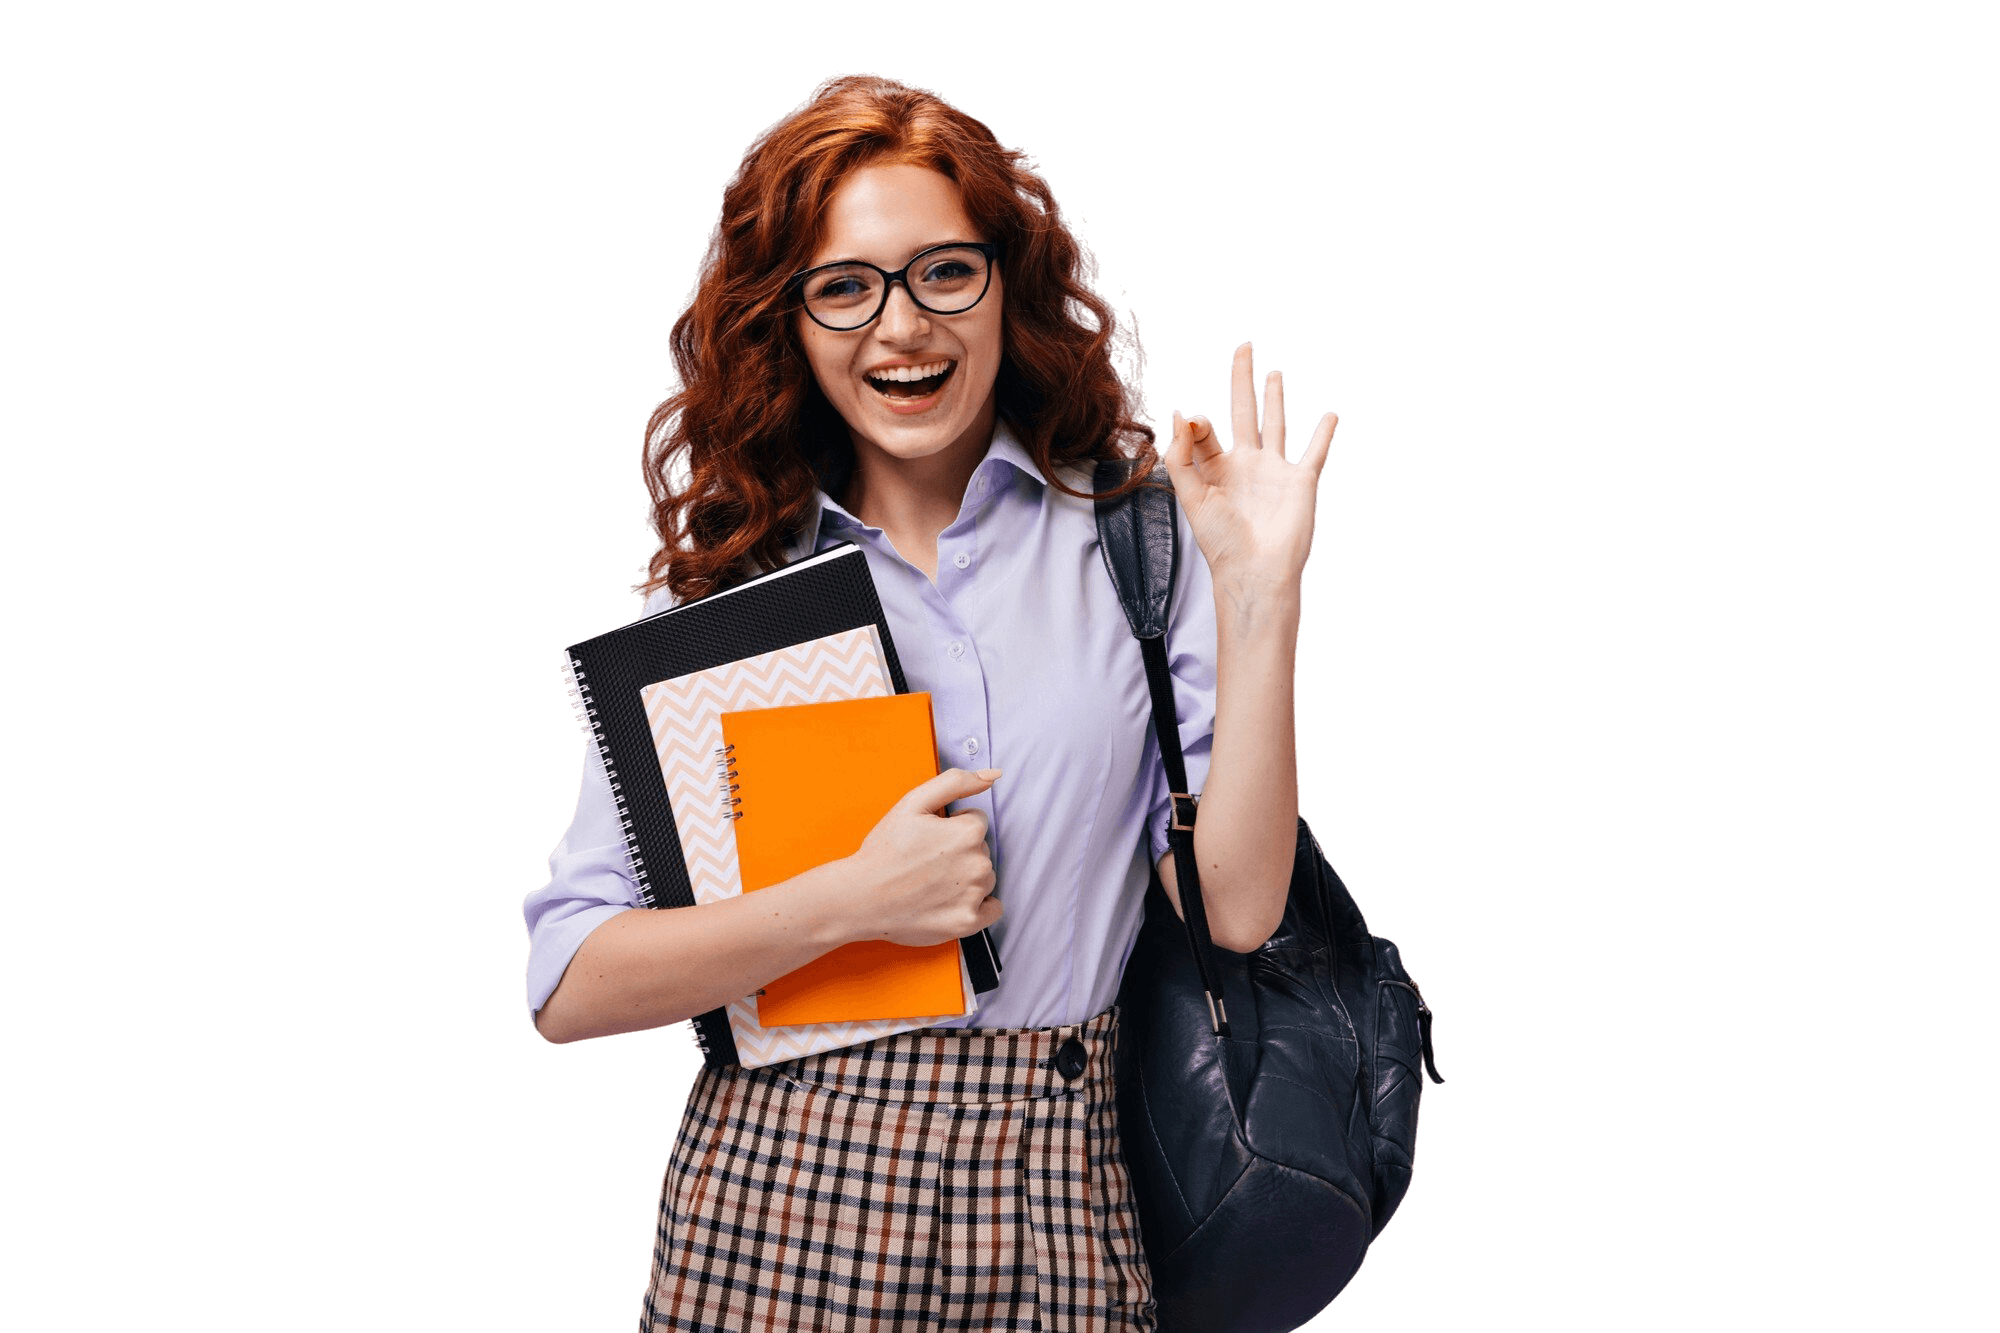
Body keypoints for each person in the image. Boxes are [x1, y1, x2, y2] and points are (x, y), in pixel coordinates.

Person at [522, 74, 1336, 1331]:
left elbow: (1233, 908)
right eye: (844, 287)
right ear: (785, 323)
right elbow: (569, 977)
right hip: (783, 1195)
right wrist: (852, 901)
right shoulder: (722, 598)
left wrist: (1262, 601)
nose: (899, 327)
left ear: (1005, 284)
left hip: (1061, 1187)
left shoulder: (1136, 552)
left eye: (943, 271)